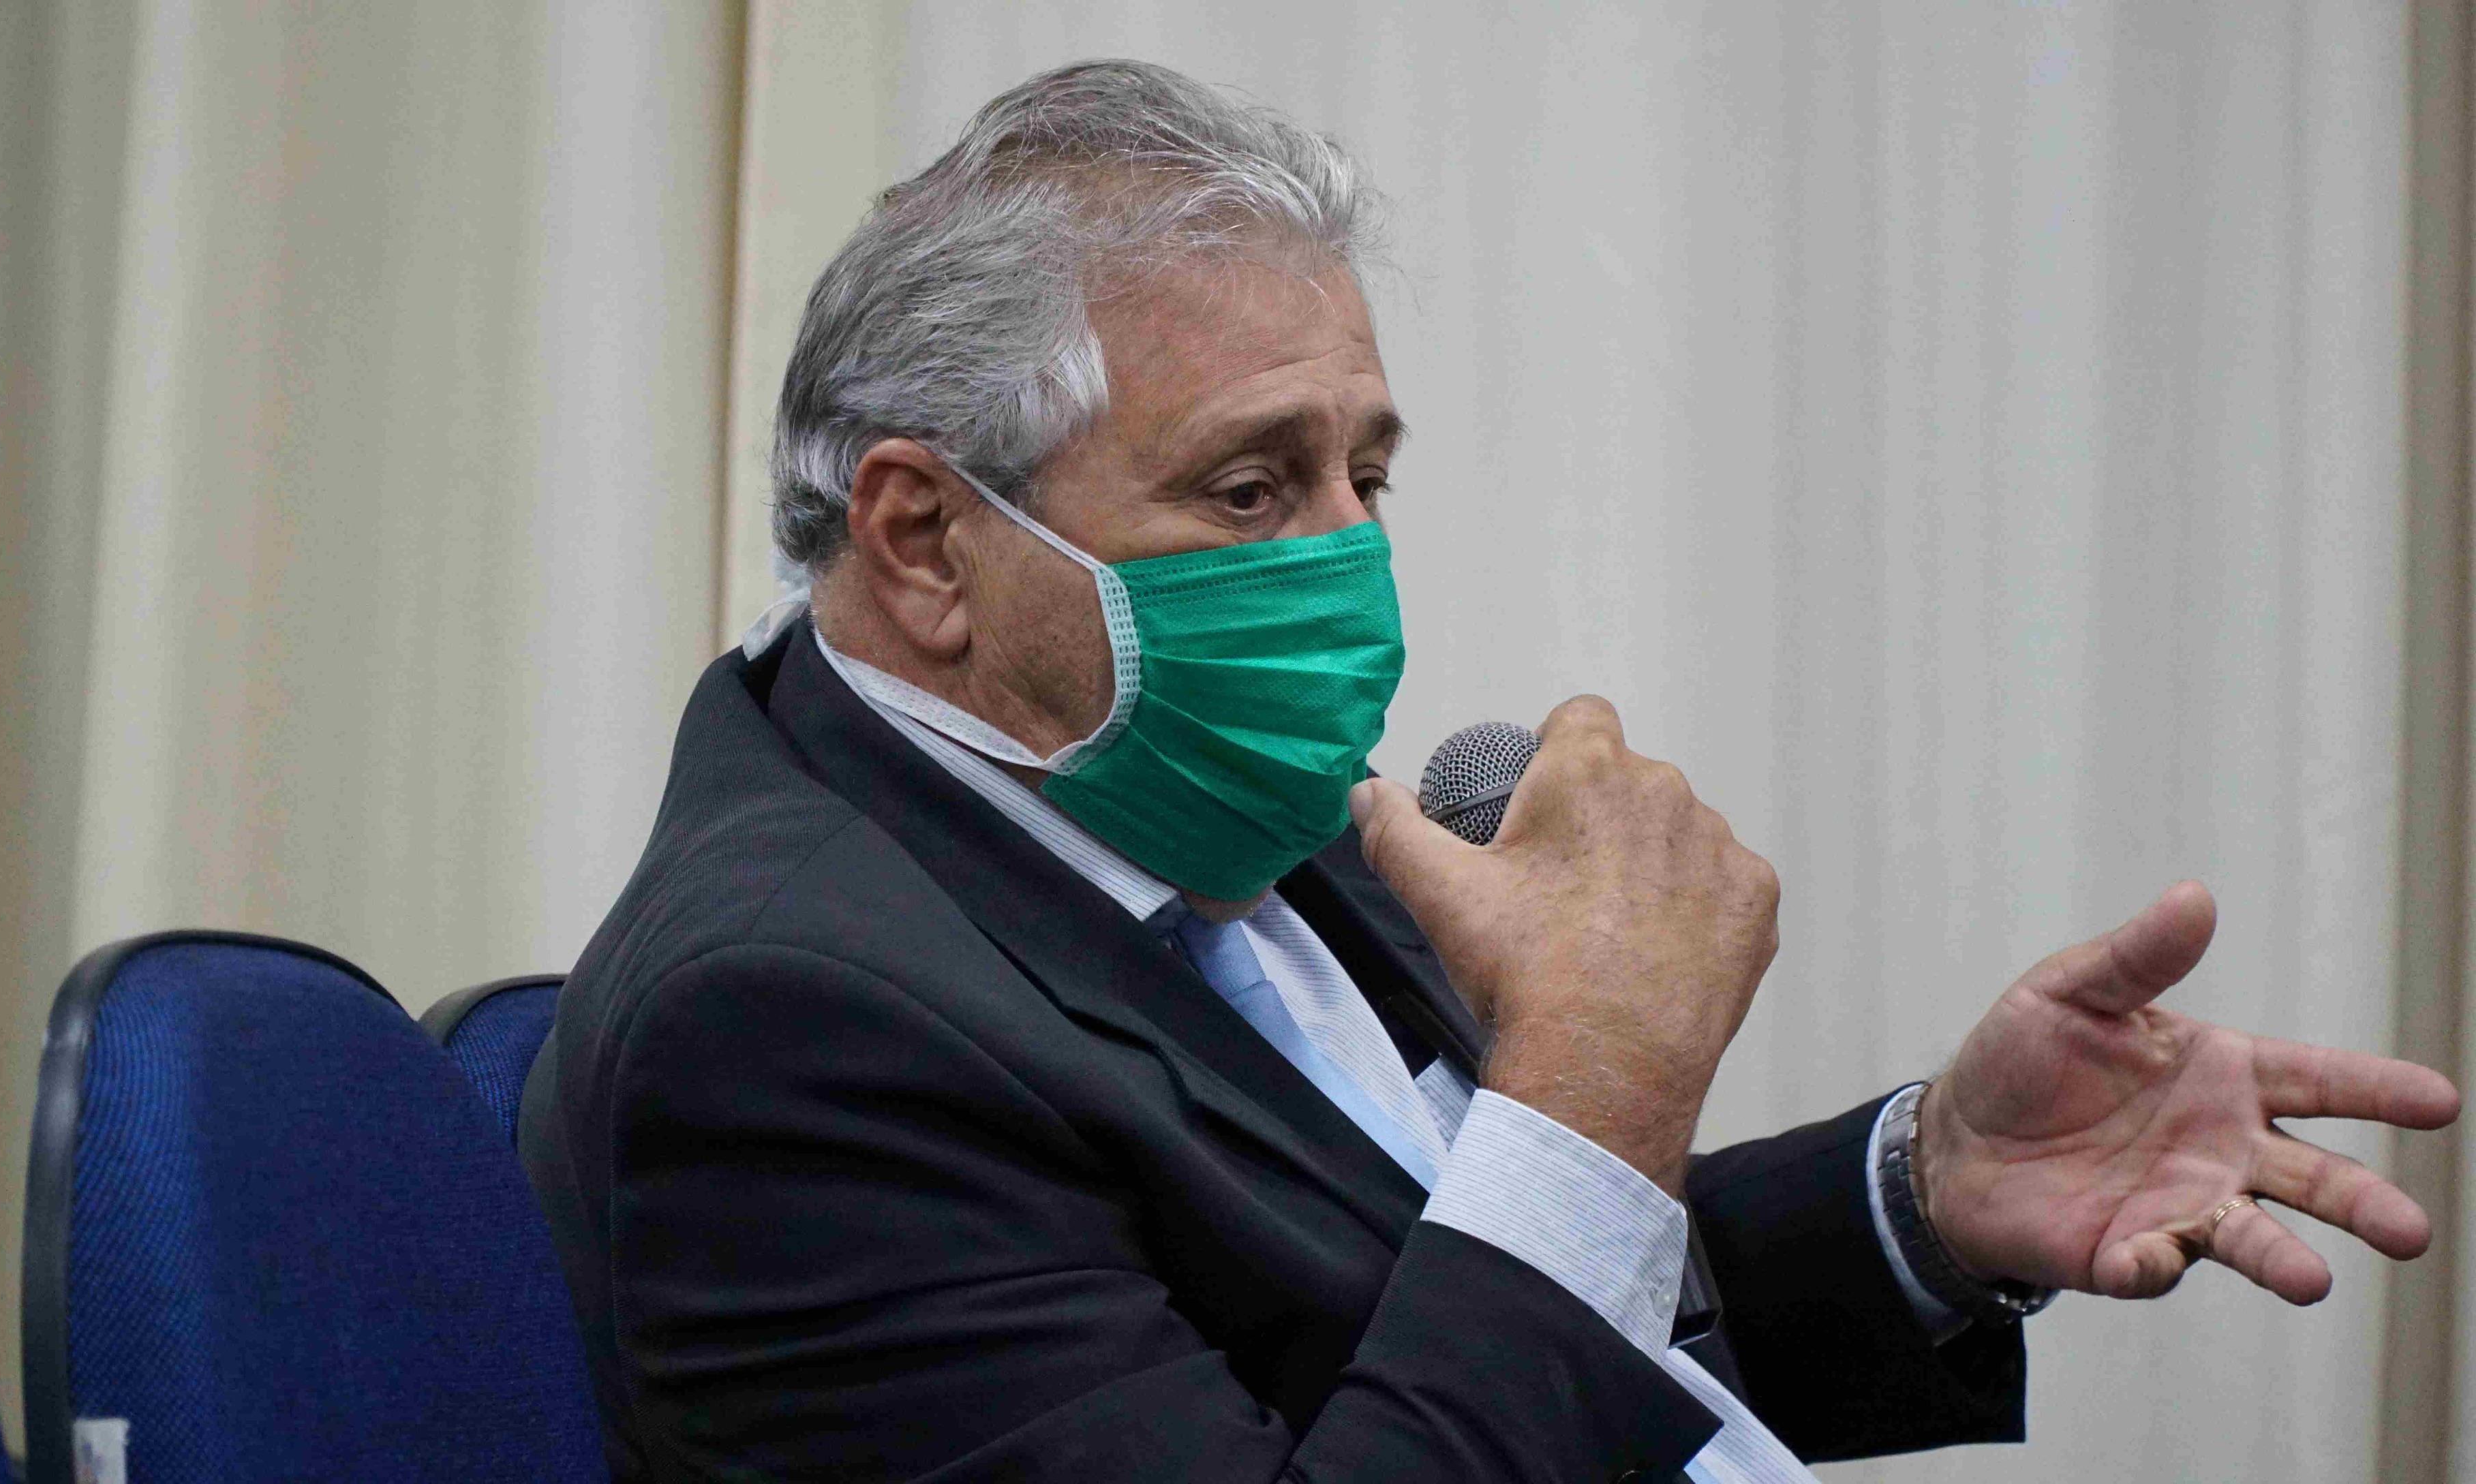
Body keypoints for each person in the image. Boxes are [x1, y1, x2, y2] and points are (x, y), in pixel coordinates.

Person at [517, 60, 2460, 1483]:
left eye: (1365, 474)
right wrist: (1594, 1085)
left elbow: (1456, 1313)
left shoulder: (1158, 778)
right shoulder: (777, 1038)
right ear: (927, 540)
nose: (1350, 564)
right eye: (1251, 488)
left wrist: (1923, 1192)